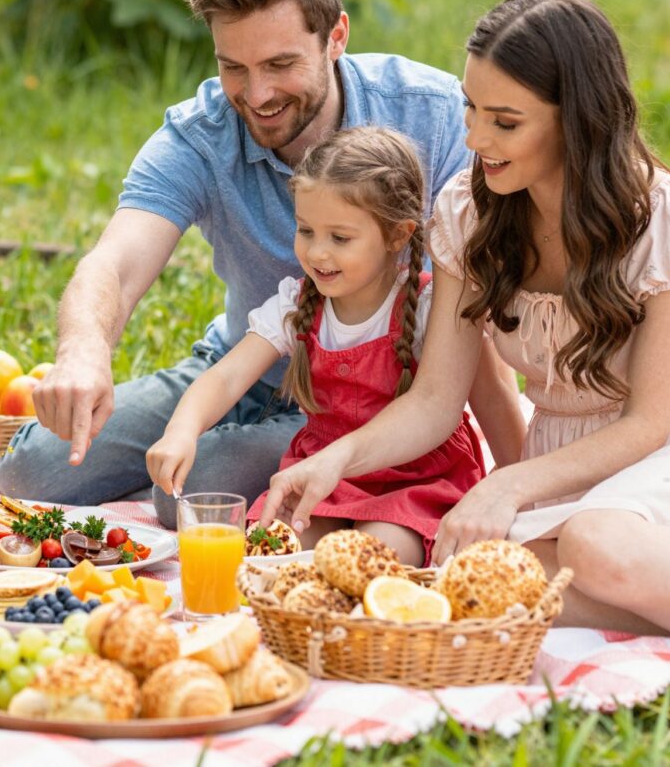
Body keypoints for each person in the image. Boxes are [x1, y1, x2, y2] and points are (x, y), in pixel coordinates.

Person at [259, 0, 670, 642]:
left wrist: (507, 484)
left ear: (578, 121)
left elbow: (647, 424)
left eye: (505, 122)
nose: (475, 138)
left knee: (594, 545)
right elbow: (436, 399)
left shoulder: (664, 218)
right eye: (470, 107)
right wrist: (336, 460)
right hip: (567, 462)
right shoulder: (469, 215)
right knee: (469, 573)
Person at [0, 0, 520, 528]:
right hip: (243, 366)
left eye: (280, 63)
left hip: (371, 404)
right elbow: (115, 261)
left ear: (336, 36)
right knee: (36, 470)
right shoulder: (201, 135)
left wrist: (515, 475)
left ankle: (242, 463)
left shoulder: (434, 116)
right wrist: (83, 351)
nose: (258, 93)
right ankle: (224, 450)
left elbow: (475, 313)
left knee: (193, 490)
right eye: (234, 67)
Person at [147, 127, 500, 565]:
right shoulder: (297, 304)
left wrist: (512, 484)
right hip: (320, 473)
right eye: (306, 230)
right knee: (275, 552)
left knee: (371, 558)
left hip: (414, 480)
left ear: (397, 235)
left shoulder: (429, 306)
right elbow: (227, 376)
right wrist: (182, 430)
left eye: (340, 238)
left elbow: (488, 397)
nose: (317, 252)